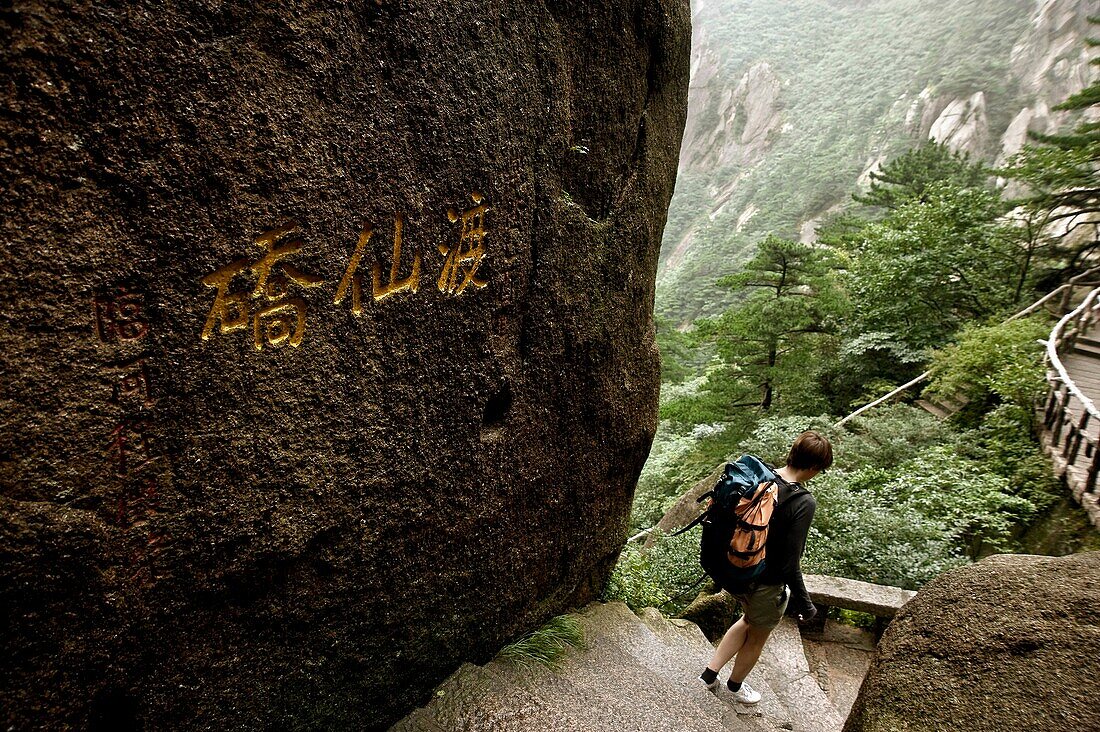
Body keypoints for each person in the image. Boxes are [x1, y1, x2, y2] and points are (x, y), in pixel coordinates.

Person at [698, 430, 833, 704]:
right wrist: (805, 604)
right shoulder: (803, 502)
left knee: (747, 620)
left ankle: (708, 676)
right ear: (814, 468)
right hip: (765, 583)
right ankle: (735, 688)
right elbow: (790, 562)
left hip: (734, 571)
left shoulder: (760, 479)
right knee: (757, 636)